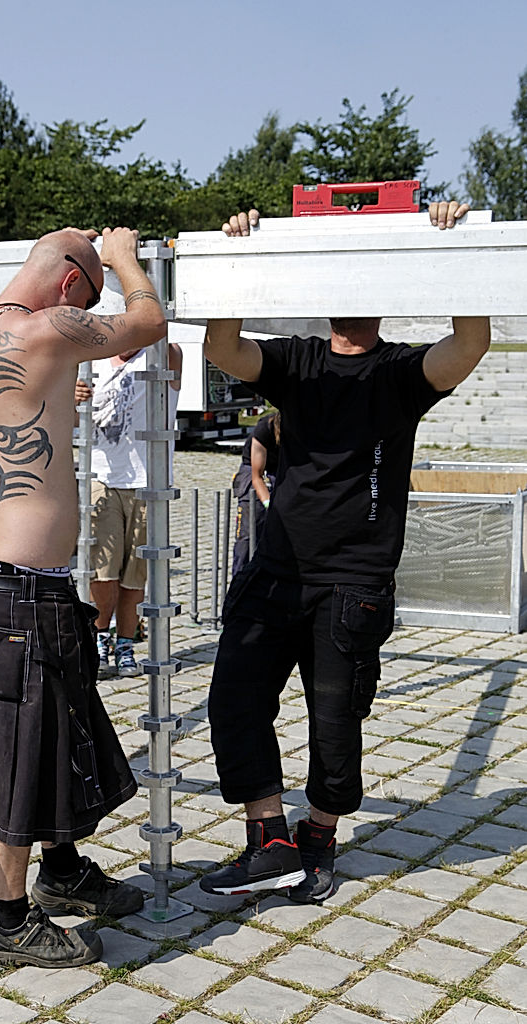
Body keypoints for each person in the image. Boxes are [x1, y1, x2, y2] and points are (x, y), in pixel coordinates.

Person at [199, 202, 491, 903]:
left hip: (353, 582)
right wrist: (236, 259)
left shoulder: (401, 372)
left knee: (335, 724)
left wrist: (459, 244)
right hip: (275, 571)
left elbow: (471, 342)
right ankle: (269, 842)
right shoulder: (296, 360)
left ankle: (319, 839)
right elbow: (223, 349)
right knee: (234, 700)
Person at [0, 224, 166, 969]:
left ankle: (61, 871)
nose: (86, 311)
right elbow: (149, 322)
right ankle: (7, 921)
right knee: (19, 751)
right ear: (70, 287)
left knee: (57, 730)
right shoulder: (53, 328)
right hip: (14, 590)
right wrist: (124, 260)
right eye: (87, 297)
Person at [75, 342, 181, 678]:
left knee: (135, 574)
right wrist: (71, 397)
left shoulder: (161, 353)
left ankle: (125, 645)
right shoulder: (90, 361)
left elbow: (168, 338)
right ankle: (99, 638)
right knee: (101, 571)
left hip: (147, 481)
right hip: (101, 478)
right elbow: (69, 415)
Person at [231, 411, 281, 576]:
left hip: (280, 469)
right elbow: (257, 477)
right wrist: (268, 504)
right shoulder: (265, 427)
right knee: (249, 532)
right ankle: (240, 579)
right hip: (253, 471)